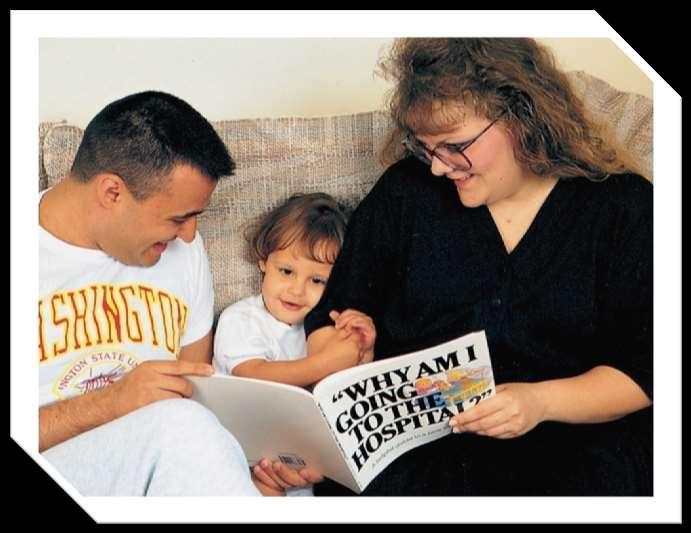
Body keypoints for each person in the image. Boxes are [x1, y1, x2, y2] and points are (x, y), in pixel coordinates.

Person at [304, 38, 653, 496]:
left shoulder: (622, 208)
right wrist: (349, 348)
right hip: (420, 452)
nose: (437, 168)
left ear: (523, 118)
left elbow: (649, 369)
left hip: (575, 445)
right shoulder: (405, 193)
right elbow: (332, 318)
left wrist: (539, 401)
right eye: (425, 148)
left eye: (454, 145)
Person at [38, 90, 316, 496]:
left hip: (168, 471)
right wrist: (113, 401)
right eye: (178, 218)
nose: (188, 235)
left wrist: (261, 462)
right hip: (64, 463)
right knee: (181, 426)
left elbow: (201, 397)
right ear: (112, 192)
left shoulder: (183, 251)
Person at [213, 192, 376, 495]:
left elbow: (350, 394)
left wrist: (364, 347)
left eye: (317, 281)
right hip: (243, 454)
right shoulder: (241, 318)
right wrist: (322, 364)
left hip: (300, 461)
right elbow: (252, 375)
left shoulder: (322, 328)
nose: (297, 290)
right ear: (263, 260)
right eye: (286, 271)